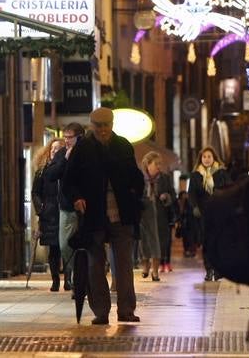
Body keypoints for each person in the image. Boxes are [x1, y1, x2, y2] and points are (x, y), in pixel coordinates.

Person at [63, 106, 146, 325]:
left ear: (112, 125)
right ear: (91, 126)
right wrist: (76, 198)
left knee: (124, 264)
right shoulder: (83, 148)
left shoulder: (122, 146)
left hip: (121, 212)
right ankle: (101, 310)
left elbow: (135, 177)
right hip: (94, 214)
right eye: (98, 126)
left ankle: (126, 309)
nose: (102, 130)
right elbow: (69, 180)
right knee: (95, 264)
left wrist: (135, 195)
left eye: (106, 125)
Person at [45, 121, 82, 293]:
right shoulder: (61, 154)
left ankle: (79, 279)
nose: (67, 141)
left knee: (84, 245)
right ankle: (76, 272)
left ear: (79, 137)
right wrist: (65, 159)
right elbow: (50, 175)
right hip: (66, 207)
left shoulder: (87, 153)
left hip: (85, 207)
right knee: (65, 245)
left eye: (70, 138)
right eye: (65, 137)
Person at [188, 146, 231, 281]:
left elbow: (229, 189)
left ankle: (219, 270)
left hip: (219, 212)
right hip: (204, 214)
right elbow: (191, 194)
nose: (207, 159)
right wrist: (194, 207)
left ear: (214, 158)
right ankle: (209, 269)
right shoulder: (196, 175)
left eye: (209, 157)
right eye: (204, 157)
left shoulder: (221, 173)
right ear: (201, 159)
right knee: (206, 241)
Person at [31, 139, 66, 291]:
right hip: (49, 214)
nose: (54, 151)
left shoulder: (66, 168)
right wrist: (41, 209)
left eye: (58, 149)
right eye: (52, 148)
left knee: (66, 246)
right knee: (54, 248)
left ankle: (69, 279)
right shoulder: (43, 170)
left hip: (64, 210)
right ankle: (55, 280)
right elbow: (35, 192)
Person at [138, 151, 174, 282]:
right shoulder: (140, 178)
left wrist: (166, 197)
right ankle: (146, 265)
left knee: (157, 241)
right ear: (148, 164)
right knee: (143, 240)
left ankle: (155, 271)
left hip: (160, 214)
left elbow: (172, 195)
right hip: (143, 212)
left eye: (160, 164)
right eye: (156, 164)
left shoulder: (164, 178)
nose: (159, 166)